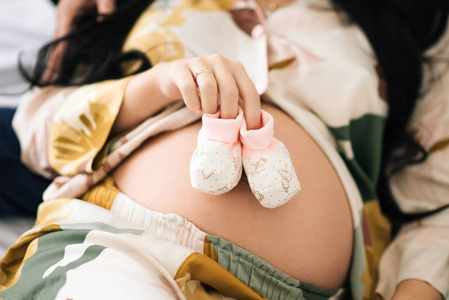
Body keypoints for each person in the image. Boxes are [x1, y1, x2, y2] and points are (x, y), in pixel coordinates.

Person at [1, 0, 448, 299]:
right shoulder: (134, 7)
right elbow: (38, 131)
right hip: (112, 245)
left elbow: (438, 212)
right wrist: (157, 83)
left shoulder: (418, 25)